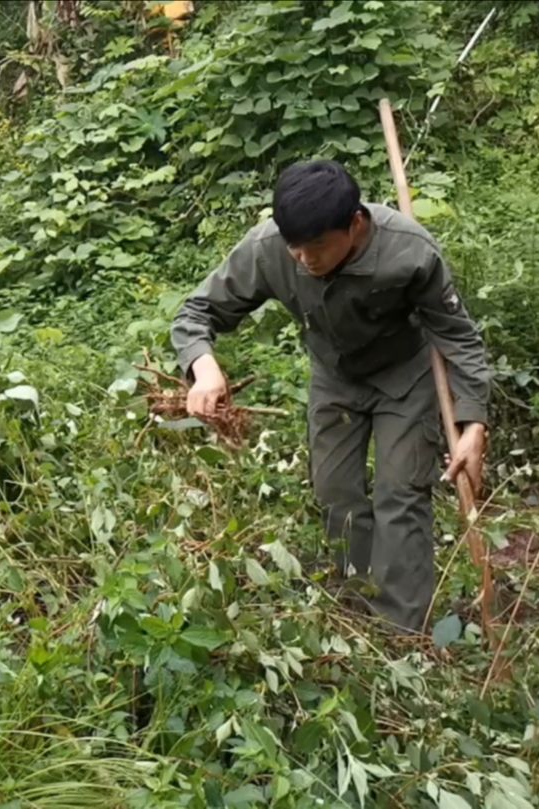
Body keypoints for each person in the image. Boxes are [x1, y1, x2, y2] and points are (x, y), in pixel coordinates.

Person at [169, 159, 491, 635]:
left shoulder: (410, 251)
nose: (303, 258)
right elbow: (196, 312)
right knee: (335, 493)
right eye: (293, 245)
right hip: (335, 378)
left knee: (399, 495)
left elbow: (458, 337)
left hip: (405, 379)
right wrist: (203, 368)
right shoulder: (268, 248)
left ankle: (402, 633)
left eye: (317, 245)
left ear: (355, 223)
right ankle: (356, 611)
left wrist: (473, 426)